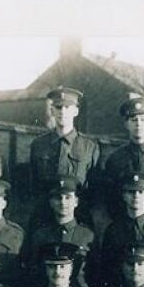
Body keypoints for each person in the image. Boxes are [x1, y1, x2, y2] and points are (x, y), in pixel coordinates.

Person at [27, 87, 100, 227]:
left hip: (78, 217)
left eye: (67, 107)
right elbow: (33, 184)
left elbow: (94, 187)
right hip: (44, 216)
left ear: (76, 111)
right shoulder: (39, 145)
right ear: (52, 111)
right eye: (58, 107)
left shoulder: (89, 147)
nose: (63, 112)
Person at [19, 176, 95, 287]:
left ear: (76, 202)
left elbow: (95, 272)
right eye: (58, 198)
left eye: (68, 197)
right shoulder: (40, 235)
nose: (63, 202)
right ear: (50, 202)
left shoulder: (88, 235)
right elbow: (33, 271)